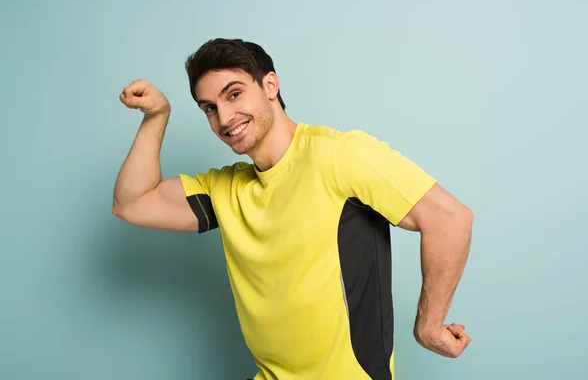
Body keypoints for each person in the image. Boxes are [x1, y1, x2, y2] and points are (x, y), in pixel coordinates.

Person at [112, 38, 474, 380]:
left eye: (234, 94)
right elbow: (133, 203)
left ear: (270, 85)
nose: (224, 118)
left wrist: (429, 327)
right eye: (210, 108)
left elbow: (449, 218)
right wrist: (157, 115)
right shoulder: (225, 188)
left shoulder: (338, 156)